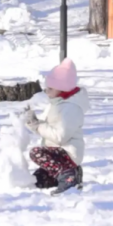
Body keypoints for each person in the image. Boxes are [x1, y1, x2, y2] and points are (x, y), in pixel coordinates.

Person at [24, 58, 90, 195]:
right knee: (37, 180)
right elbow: (48, 128)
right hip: (57, 153)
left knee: (36, 153)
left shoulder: (71, 108)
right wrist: (34, 123)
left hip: (67, 153)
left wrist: (38, 126)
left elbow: (60, 136)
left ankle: (68, 175)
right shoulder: (58, 104)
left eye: (50, 88)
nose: (46, 91)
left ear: (62, 88)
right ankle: (65, 175)